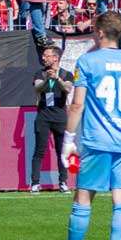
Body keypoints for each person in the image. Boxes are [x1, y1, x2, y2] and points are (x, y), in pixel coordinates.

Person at [46, 12, 121, 240]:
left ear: (101, 33)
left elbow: (77, 104)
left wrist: (68, 139)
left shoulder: (88, 61)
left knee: (83, 198)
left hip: (96, 141)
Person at [31, 46, 74, 192]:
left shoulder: (66, 74)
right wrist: (46, 80)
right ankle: (35, 183)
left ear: (55, 58)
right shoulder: (39, 73)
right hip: (43, 115)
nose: (44, 58)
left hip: (60, 117)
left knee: (62, 151)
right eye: (43, 55)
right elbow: (37, 88)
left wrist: (57, 79)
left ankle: (63, 182)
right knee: (39, 150)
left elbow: (67, 89)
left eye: (47, 55)